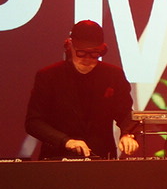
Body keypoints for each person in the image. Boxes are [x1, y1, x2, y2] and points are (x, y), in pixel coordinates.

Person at [25, 20, 141, 159]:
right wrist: (66, 141)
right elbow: (34, 122)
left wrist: (127, 134)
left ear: (102, 50)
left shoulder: (113, 75)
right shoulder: (49, 76)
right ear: (70, 46)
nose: (87, 59)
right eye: (81, 53)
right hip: (57, 158)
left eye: (94, 54)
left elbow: (125, 113)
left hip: (101, 157)